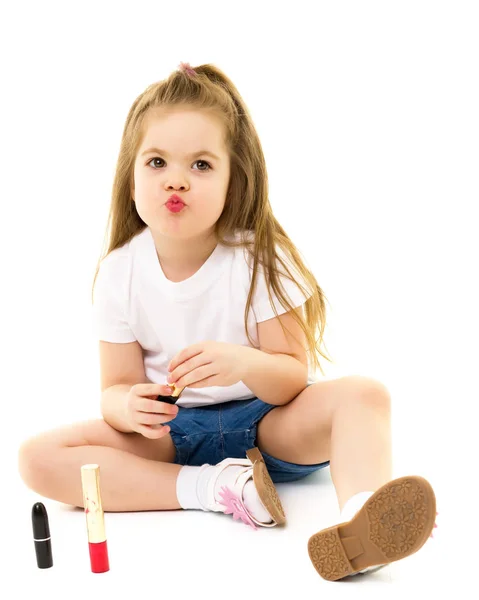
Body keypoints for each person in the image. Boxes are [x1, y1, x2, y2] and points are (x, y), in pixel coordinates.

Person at [18, 62, 437, 581]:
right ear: (130, 183)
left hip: (270, 427)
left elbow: (290, 379)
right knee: (38, 458)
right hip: (171, 439)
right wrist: (128, 407)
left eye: (200, 165)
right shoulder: (119, 272)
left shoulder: (260, 257)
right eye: (156, 162)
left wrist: (242, 362)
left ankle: (362, 521)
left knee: (365, 395)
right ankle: (216, 488)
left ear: (232, 182)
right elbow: (113, 389)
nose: (176, 179)